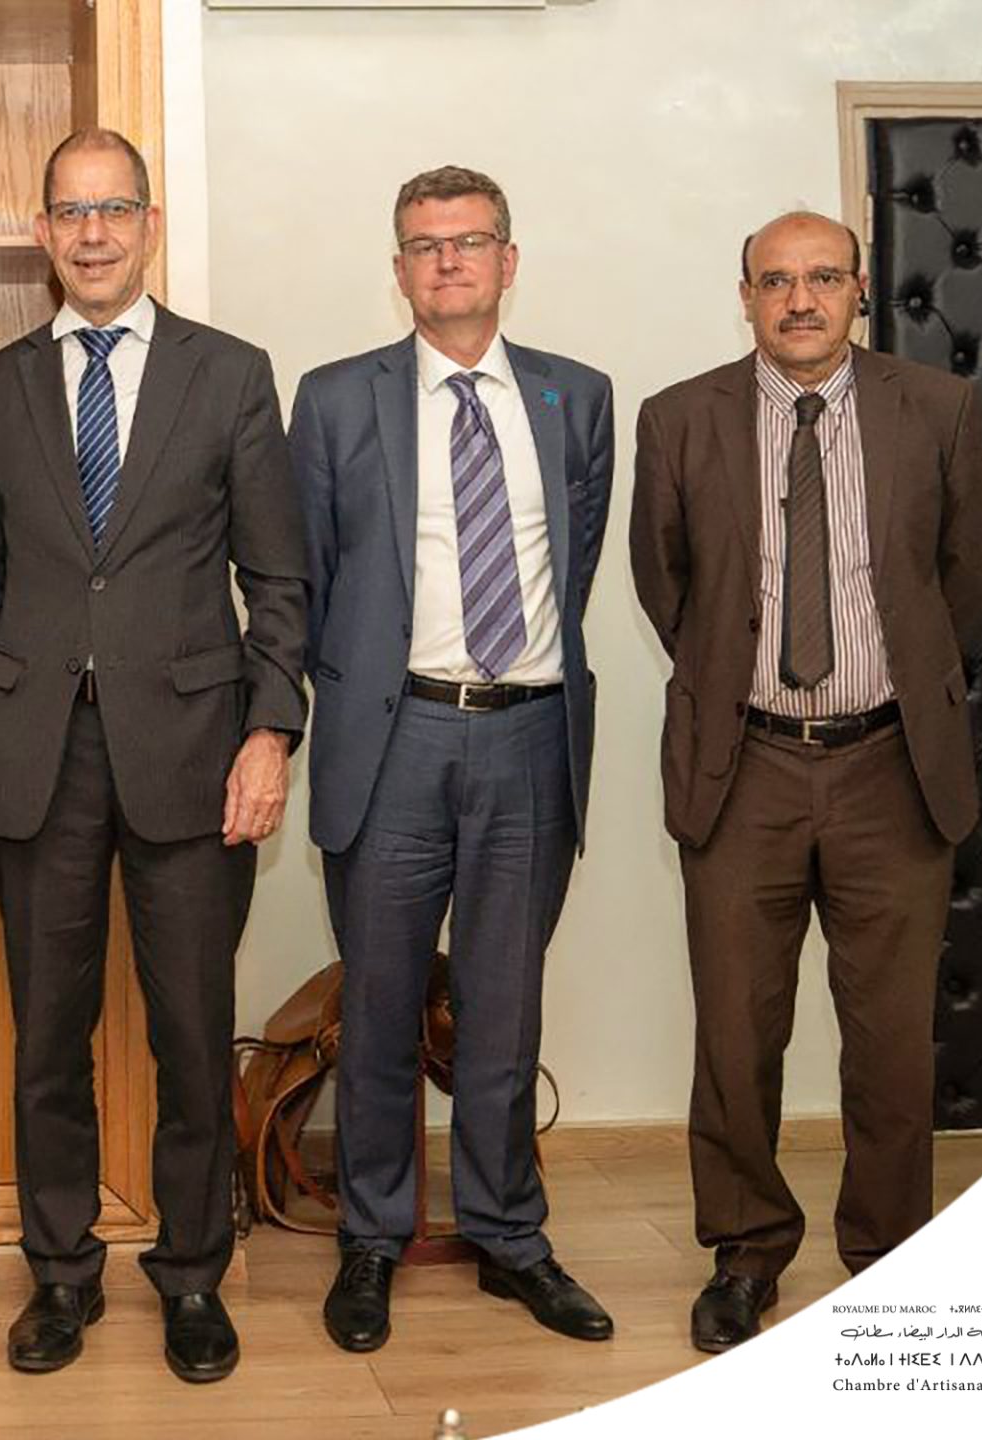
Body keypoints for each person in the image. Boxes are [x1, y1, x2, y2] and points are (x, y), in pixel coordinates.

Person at [0, 127, 306, 1384]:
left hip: (195, 753)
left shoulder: (229, 373)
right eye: (69, 212)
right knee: (48, 1035)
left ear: (148, 225)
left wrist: (270, 732)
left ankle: (192, 1272)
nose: (91, 234)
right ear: (42, 233)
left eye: (113, 210)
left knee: (193, 1035)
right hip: (33, 753)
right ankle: (60, 1273)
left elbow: (278, 579)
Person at [629, 210, 982, 1353]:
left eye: (822, 278)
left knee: (890, 1038)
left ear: (858, 291)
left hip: (891, 765)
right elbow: (668, 588)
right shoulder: (677, 419)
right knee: (736, 1032)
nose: (799, 300)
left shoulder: (938, 410)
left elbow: (961, 587)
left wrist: (884, 691)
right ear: (744, 296)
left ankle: (887, 1255)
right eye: (776, 281)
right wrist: (745, 689)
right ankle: (744, 1253)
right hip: (742, 766)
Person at [290, 166, 617, 1350]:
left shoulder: (577, 397)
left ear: (506, 260)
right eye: (424, 245)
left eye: (469, 241)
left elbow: (575, 562)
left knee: (502, 1008)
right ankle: (372, 1239)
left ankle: (508, 1236)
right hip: (394, 736)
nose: (447, 261)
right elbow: (310, 576)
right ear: (399, 270)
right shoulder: (335, 399)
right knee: (380, 1005)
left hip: (529, 732)